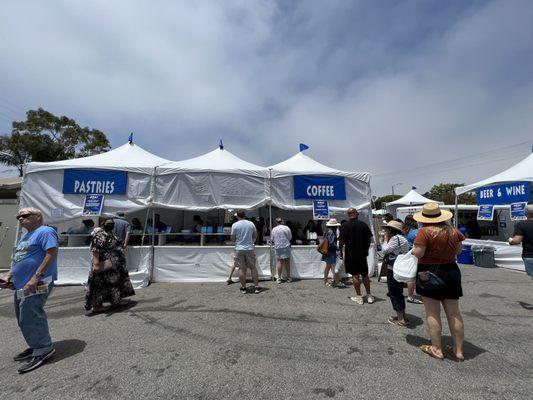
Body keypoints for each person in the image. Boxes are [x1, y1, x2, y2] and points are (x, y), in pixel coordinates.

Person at [2, 208, 58, 373]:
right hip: (23, 284)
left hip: (38, 282)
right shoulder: (25, 236)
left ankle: (43, 349)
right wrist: (9, 275)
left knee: (30, 313)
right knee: (23, 317)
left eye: (25, 216)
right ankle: (36, 345)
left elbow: (51, 252)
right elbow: (20, 258)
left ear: (37, 217)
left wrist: (36, 277)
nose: (20, 219)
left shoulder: (45, 231)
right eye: (18, 216)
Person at [412, 203, 465, 361]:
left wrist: (414, 249)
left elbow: (419, 254)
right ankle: (459, 350)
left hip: (429, 272)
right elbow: (459, 251)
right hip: (451, 270)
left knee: (433, 313)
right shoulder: (454, 231)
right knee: (454, 313)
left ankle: (436, 348)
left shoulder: (423, 232)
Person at [85, 218, 135, 314]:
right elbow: (95, 250)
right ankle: (97, 306)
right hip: (103, 264)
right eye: (109, 223)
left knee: (114, 284)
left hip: (114, 266)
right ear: (103, 224)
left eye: (112, 223)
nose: (111, 224)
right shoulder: (99, 235)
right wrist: (96, 265)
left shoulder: (111, 234)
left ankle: (116, 301)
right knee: (98, 285)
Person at [339, 208, 374, 305]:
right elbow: (369, 239)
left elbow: (341, 241)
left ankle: (359, 297)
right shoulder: (363, 225)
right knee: (365, 275)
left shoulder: (344, 225)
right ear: (357, 214)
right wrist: (366, 250)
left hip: (351, 254)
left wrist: (340, 251)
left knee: (355, 275)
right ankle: (369, 295)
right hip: (362, 254)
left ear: (348, 215)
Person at [381, 220, 410, 326]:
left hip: (393, 268)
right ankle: (402, 315)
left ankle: (401, 318)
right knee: (399, 292)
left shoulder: (394, 238)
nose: (386, 231)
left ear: (391, 230)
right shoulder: (402, 238)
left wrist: (385, 239)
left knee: (394, 293)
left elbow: (384, 250)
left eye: (387, 229)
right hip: (400, 267)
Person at [231, 210, 261, 294]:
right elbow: (255, 235)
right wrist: (252, 241)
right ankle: (256, 287)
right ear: (245, 215)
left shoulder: (235, 225)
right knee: (253, 267)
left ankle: (244, 288)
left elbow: (232, 239)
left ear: (237, 216)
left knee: (241, 268)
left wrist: (238, 240)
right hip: (250, 248)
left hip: (239, 248)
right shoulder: (251, 224)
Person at [509, 204, 533, 278]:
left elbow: (517, 241)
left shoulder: (521, 225)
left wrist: (510, 240)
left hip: (529, 255)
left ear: (525, 213)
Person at [403, 215, 423, 304]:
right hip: (415, 255)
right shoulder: (416, 232)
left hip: (407, 254)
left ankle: (410, 295)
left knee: (410, 276)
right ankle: (411, 296)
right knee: (414, 276)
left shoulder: (405, 230)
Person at [322, 218, 345, 288]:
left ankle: (327, 281)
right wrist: (338, 249)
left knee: (329, 267)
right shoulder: (331, 232)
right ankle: (336, 281)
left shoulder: (327, 231)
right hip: (331, 252)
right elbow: (331, 243)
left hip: (327, 251)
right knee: (334, 267)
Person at [271, 217, 292, 283]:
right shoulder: (287, 228)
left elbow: (272, 239)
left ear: (276, 222)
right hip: (286, 245)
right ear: (282, 221)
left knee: (279, 262)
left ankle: (279, 278)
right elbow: (290, 237)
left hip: (278, 246)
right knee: (287, 262)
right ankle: (288, 277)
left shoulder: (274, 229)